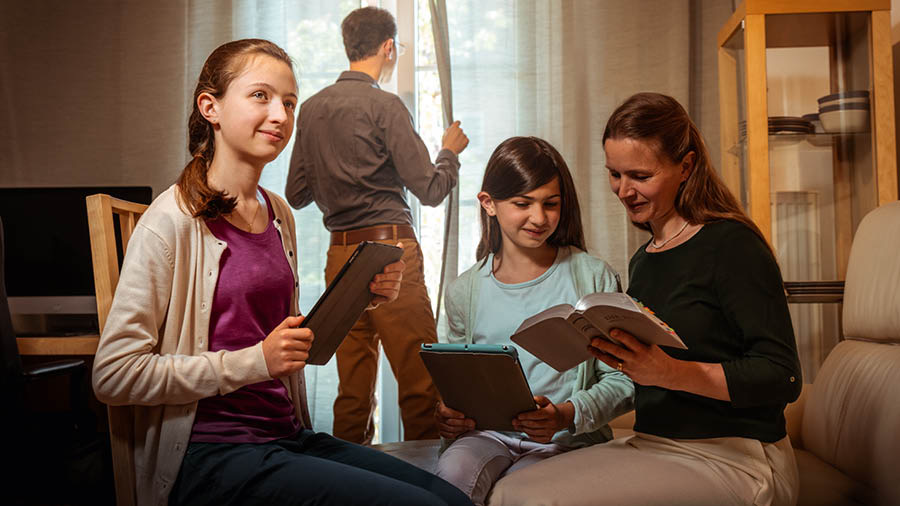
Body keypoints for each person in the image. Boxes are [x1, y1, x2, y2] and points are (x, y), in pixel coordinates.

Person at [91, 38, 473, 506]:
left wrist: (362, 297)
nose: (281, 116)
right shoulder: (170, 221)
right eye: (261, 96)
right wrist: (256, 361)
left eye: (289, 103)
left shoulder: (277, 213)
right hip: (213, 454)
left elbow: (288, 344)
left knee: (454, 498)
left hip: (286, 436)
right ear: (210, 107)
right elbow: (113, 375)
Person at [489, 93, 803, 506]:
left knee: (533, 503)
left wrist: (670, 372)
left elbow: (784, 376)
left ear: (685, 167)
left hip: (734, 456)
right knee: (511, 490)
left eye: (639, 175)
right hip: (654, 443)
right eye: (614, 174)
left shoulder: (732, 245)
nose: (624, 190)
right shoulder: (646, 258)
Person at [285, 6, 469, 444]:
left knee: (352, 387)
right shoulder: (386, 106)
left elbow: (296, 194)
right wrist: (449, 151)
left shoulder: (310, 111)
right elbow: (430, 189)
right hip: (390, 255)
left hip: (339, 256)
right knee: (419, 380)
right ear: (388, 47)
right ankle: (428, 481)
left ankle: (350, 485)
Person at [434, 136, 635, 506]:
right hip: (486, 437)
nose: (539, 218)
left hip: (564, 440)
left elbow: (623, 379)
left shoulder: (592, 277)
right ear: (488, 204)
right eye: (523, 203)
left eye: (550, 204)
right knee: (450, 476)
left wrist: (566, 415)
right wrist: (448, 414)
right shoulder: (464, 291)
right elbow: (453, 382)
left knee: (522, 491)